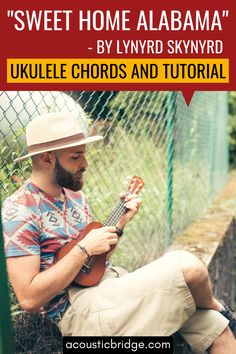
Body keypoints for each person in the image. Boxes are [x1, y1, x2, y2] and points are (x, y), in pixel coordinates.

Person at [2, 111, 236, 354]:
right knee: (188, 266)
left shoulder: (74, 196)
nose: (85, 164)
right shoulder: (20, 210)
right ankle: (222, 308)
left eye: (84, 154)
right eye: (76, 157)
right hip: (78, 312)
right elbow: (28, 299)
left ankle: (221, 315)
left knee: (217, 329)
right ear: (47, 159)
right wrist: (83, 249)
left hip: (109, 288)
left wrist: (119, 224)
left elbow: (91, 267)